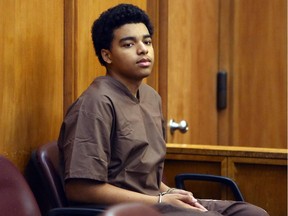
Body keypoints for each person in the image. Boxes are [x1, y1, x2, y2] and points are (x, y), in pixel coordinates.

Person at [57, 3, 269, 216]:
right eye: (129, 44)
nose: (143, 49)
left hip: (155, 201)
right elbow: (80, 189)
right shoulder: (95, 103)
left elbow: (144, 178)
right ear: (107, 56)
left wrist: (175, 194)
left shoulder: (150, 97)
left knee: (251, 213)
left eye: (147, 41)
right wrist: (159, 200)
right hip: (123, 210)